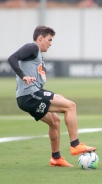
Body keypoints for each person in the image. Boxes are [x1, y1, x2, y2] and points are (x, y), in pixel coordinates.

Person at [7, 25, 96, 167]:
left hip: (30, 95)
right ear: (40, 38)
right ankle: (75, 145)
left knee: (55, 121)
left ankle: (56, 158)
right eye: (49, 39)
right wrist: (23, 76)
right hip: (30, 95)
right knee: (70, 106)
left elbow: (37, 85)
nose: (50, 43)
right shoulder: (32, 47)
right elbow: (12, 58)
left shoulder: (38, 57)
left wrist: (54, 95)